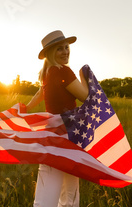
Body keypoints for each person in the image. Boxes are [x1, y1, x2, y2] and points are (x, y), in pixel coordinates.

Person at [25, 30, 89, 207]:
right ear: (51, 53)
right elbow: (85, 96)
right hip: (67, 133)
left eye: (66, 47)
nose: (65, 51)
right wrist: (84, 78)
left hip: (54, 133)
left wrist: (28, 107)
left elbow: (40, 92)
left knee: (56, 181)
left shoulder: (47, 72)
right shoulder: (64, 72)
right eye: (60, 49)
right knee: (67, 187)